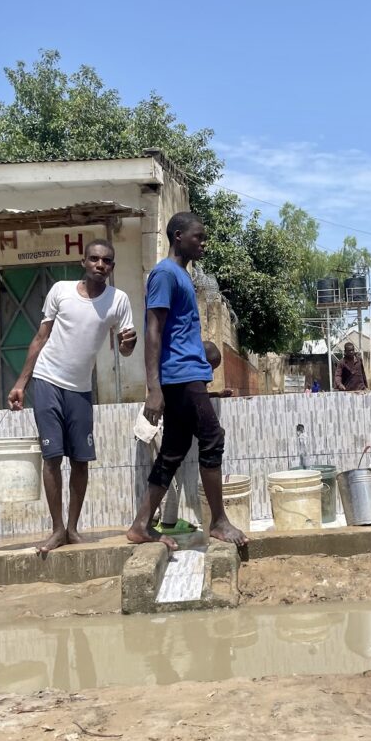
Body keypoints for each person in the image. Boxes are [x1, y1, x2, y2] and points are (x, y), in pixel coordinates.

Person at [127, 212, 248, 550]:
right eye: (198, 237)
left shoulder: (180, 275)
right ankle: (219, 521)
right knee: (212, 437)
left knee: (174, 450)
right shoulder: (165, 274)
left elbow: (179, 331)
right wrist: (154, 389)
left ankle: (140, 524)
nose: (203, 243)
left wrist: (204, 350)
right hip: (180, 375)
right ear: (178, 236)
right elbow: (153, 330)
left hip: (187, 370)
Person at [8, 240, 137, 553]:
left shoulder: (118, 300)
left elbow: (126, 347)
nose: (99, 265)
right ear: (84, 261)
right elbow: (41, 338)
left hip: (80, 389)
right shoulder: (60, 291)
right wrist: (21, 383)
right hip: (47, 380)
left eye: (106, 261)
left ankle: (73, 528)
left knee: (81, 461)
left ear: (112, 267)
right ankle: (56, 531)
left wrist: (127, 345)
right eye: (94, 259)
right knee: (52, 457)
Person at [151, 340, 232, 536]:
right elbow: (193, 401)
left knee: (170, 464)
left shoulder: (187, 371)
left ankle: (153, 521)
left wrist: (216, 395)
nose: (211, 373)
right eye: (211, 367)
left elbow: (196, 397)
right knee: (169, 467)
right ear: (203, 361)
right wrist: (210, 429)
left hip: (159, 419)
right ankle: (160, 521)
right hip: (154, 424)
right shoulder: (189, 370)